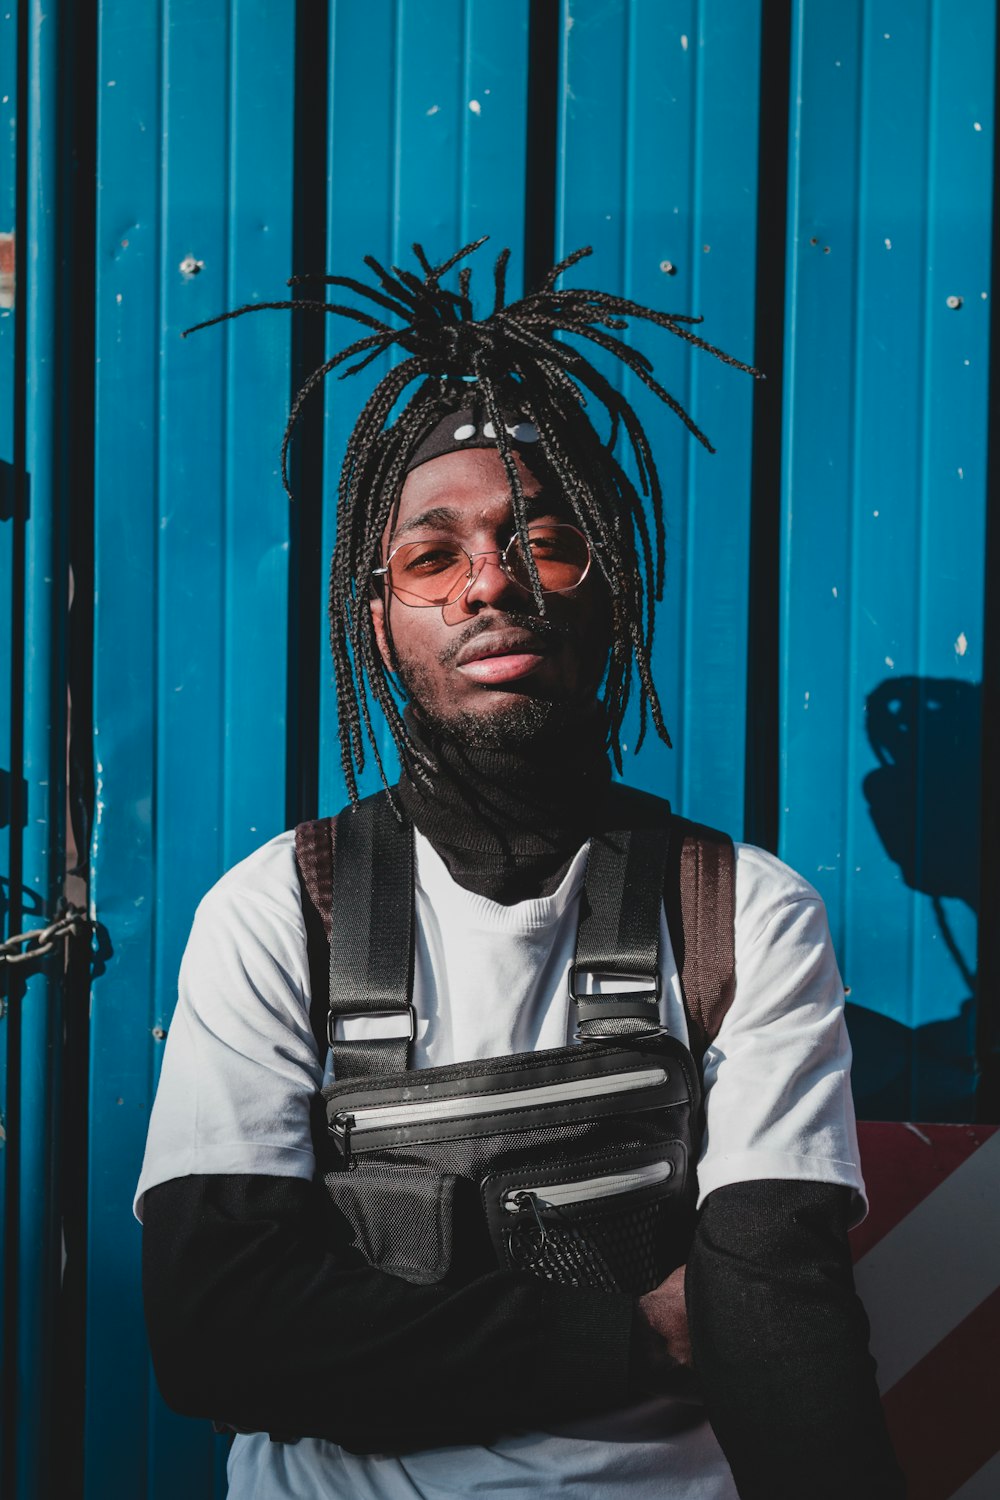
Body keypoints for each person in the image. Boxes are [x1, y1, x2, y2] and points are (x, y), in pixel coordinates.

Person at [136, 240, 905, 1499]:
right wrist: (637, 1326)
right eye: (431, 559)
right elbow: (219, 1335)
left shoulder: (743, 916)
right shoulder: (278, 912)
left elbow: (779, 1313)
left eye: (546, 543)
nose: (491, 581)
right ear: (375, 622)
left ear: (618, 590)